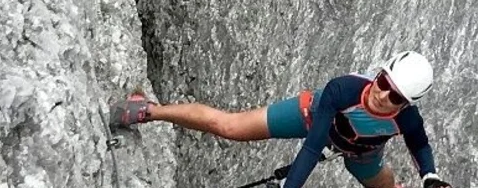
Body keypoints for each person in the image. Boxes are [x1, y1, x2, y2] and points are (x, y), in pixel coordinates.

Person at [112, 50, 452, 188]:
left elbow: (419, 145)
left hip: (361, 154)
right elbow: (312, 146)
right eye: (382, 83)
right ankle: (150, 111)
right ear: (378, 75)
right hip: (310, 118)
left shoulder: (406, 119)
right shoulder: (343, 90)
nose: (382, 95)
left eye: (395, 96)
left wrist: (430, 175)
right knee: (229, 127)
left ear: (406, 104)